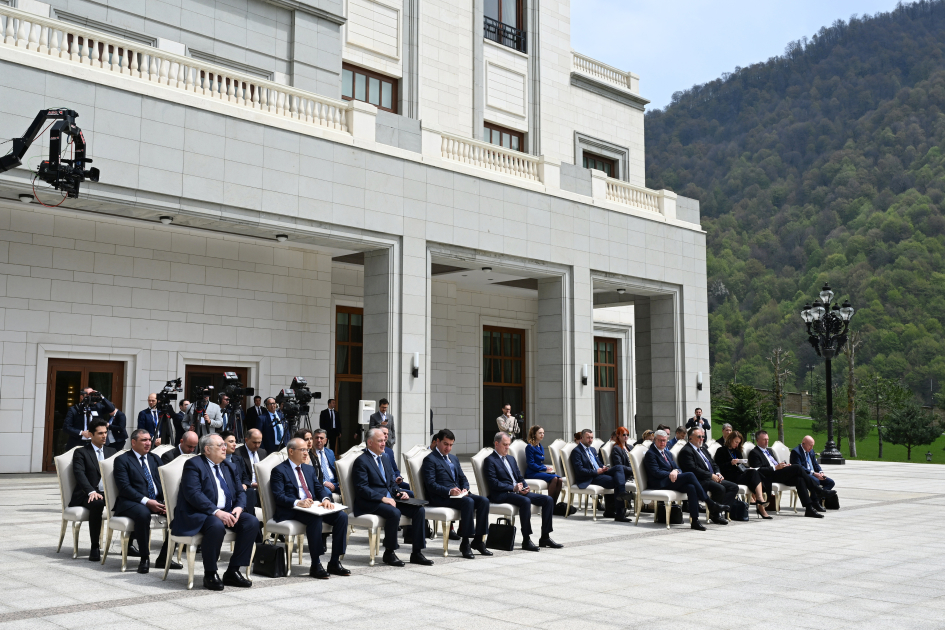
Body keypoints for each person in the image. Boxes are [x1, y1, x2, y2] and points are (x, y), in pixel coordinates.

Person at [172, 434, 259, 590]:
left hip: (228, 511)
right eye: (220, 445)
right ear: (207, 449)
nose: (225, 448)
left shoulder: (229, 466)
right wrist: (217, 512)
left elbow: (240, 492)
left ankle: (233, 571)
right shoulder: (194, 464)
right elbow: (193, 494)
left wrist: (239, 508)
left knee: (251, 522)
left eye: (224, 445)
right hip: (200, 513)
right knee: (216, 526)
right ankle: (210, 573)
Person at [270, 437, 350, 578]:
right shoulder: (279, 470)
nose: (306, 453)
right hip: (292, 509)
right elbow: (279, 496)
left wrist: (325, 499)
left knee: (342, 516)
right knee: (315, 519)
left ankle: (334, 561)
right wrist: (298, 502)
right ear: (291, 451)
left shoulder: (308, 469)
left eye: (307, 450)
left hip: (313, 506)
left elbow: (319, 488)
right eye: (302, 450)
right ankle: (316, 564)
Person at [352, 428, 432, 566]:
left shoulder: (384, 458)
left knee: (419, 510)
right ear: (370, 442)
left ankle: (417, 553)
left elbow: (391, 483)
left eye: (384, 440)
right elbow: (362, 488)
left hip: (390, 499)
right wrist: (382, 498)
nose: (384, 443)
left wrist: (399, 492)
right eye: (380, 441)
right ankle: (389, 553)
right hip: (370, 502)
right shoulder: (362, 461)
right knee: (394, 512)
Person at [420, 429, 492, 559]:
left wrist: (465, 488)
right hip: (441, 497)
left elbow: (463, 478)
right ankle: (465, 543)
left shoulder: (453, 458)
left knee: (484, 501)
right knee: (468, 502)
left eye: (451, 445)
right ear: (437, 441)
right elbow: (431, 485)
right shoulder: (430, 459)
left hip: (459, 495)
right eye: (445, 444)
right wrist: (449, 491)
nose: (448, 448)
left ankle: (478, 541)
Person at [112, 429, 177, 573]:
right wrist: (147, 502)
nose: (148, 443)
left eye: (149, 440)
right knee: (143, 513)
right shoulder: (122, 460)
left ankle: (164, 558)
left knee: (180, 512)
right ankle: (144, 558)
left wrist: (166, 502)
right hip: (131, 502)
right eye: (144, 440)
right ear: (133, 442)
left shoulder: (155, 459)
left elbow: (163, 483)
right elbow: (124, 488)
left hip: (156, 500)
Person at [483, 432, 560, 551]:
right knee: (525, 501)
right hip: (502, 494)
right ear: (496, 444)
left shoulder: (511, 458)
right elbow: (494, 483)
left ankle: (545, 537)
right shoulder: (490, 460)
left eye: (508, 444)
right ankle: (526, 539)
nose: (507, 447)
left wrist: (525, 486)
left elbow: (519, 477)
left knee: (548, 500)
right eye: (505, 444)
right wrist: (512, 488)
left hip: (518, 491)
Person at [643, 430, 729, 530]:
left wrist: (675, 471)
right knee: (690, 475)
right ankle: (710, 503)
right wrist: (671, 473)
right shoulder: (651, 453)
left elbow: (677, 468)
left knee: (691, 487)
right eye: (660, 440)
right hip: (659, 483)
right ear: (655, 440)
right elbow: (656, 472)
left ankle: (695, 521)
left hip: (670, 480)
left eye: (664, 440)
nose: (663, 443)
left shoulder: (667, 453)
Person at [748, 430, 827, 518]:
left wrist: (783, 466)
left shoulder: (769, 451)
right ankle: (818, 490)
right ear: (757, 440)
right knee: (797, 467)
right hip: (769, 476)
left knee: (799, 479)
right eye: (764, 440)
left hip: (779, 473)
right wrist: (775, 468)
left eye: (767, 439)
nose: (767, 441)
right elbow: (758, 470)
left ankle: (809, 509)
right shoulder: (754, 453)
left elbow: (774, 463)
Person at [69, 419, 116, 561]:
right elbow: (80, 474)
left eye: (105, 432)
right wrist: (91, 491)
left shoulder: (112, 451)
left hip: (108, 493)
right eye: (100, 433)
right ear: (90, 434)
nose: (104, 436)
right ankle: (95, 546)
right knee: (97, 503)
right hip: (87, 494)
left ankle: (130, 543)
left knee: (133, 503)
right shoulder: (81, 452)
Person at [676, 427, 737, 523]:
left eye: (703, 437)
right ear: (690, 438)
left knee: (734, 487)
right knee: (720, 488)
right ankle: (716, 514)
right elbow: (693, 469)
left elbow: (713, 463)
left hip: (711, 477)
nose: (702, 439)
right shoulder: (686, 451)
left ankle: (718, 510)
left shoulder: (703, 449)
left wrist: (718, 473)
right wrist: (711, 476)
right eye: (699, 437)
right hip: (699, 480)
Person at [570, 429, 631, 522]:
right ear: (581, 438)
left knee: (619, 468)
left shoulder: (592, 450)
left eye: (591, 438)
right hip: (590, 477)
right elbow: (580, 471)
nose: (590, 440)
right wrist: (596, 472)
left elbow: (598, 463)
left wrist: (603, 467)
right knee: (616, 481)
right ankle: (619, 513)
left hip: (600, 472)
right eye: (588, 438)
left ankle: (621, 495)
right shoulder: (576, 451)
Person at [713, 431, 771, 519]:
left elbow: (740, 466)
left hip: (738, 474)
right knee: (754, 475)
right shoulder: (721, 450)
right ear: (730, 440)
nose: (737, 444)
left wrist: (747, 468)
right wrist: (730, 463)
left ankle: (759, 500)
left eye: (739, 443)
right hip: (728, 476)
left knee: (754, 472)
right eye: (735, 442)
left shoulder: (737, 451)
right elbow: (718, 467)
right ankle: (760, 502)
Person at [524, 425, 563, 505]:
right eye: (540, 433)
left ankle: (553, 505)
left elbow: (540, 462)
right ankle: (549, 504)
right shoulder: (529, 447)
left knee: (560, 480)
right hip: (532, 472)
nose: (542, 435)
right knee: (555, 478)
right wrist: (544, 469)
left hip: (539, 471)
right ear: (534, 434)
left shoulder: (540, 446)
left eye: (543, 433)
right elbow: (531, 463)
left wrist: (545, 467)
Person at [234, 428, 267, 510]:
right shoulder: (237, 453)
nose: (257, 445)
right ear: (246, 440)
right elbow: (239, 476)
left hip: (263, 487)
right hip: (248, 488)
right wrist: (251, 484)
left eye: (259, 442)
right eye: (254, 442)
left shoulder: (263, 452)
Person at [379, 426, 411, 492]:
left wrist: (398, 477)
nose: (386, 436)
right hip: (386, 486)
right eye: (384, 433)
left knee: (415, 489)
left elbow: (395, 469)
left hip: (395, 482)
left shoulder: (389, 451)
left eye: (387, 434)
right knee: (412, 494)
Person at [311, 429, 340, 495]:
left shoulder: (330, 452)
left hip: (334, 482)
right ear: (313, 439)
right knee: (328, 493)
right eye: (316, 438)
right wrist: (324, 482)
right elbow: (312, 473)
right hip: (321, 482)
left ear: (325, 441)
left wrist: (339, 483)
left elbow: (336, 470)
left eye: (321, 438)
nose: (319, 440)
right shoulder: (309, 454)